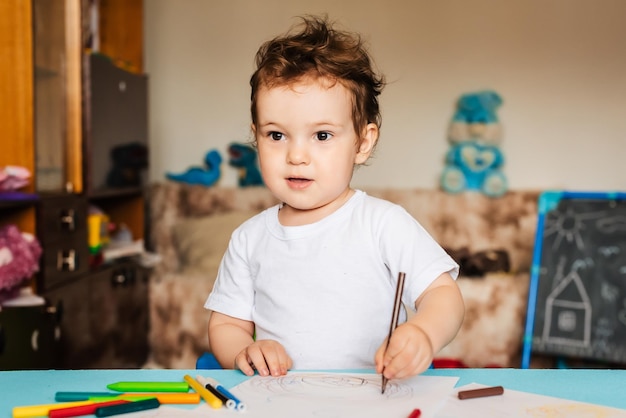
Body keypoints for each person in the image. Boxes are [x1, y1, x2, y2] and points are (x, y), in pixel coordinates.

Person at [204, 15, 464, 382]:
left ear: (363, 141)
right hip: (285, 402)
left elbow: (443, 294)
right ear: (256, 137)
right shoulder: (249, 239)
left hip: (373, 400)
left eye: (322, 136)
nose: (296, 155)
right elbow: (226, 323)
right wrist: (244, 351)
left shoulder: (383, 223)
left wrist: (424, 333)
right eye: (276, 136)